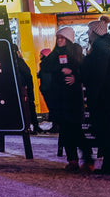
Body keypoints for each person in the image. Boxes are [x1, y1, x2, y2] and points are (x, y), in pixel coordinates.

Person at [38, 27, 90, 172]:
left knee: (76, 130)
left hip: (72, 99)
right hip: (59, 99)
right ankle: (72, 160)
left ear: (68, 40)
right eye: (58, 38)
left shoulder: (76, 54)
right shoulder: (54, 55)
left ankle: (87, 158)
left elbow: (85, 72)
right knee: (65, 131)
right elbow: (45, 67)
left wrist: (75, 76)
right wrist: (60, 69)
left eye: (62, 38)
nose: (60, 40)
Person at [83, 19, 110, 175]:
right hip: (107, 95)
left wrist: (93, 96)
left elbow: (98, 76)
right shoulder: (103, 47)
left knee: (106, 131)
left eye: (89, 31)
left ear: (95, 32)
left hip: (103, 96)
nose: (88, 33)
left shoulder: (100, 48)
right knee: (107, 130)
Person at [11, 44, 43, 133]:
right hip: (25, 88)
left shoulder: (12, 62)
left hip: (21, 89)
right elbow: (28, 75)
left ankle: (27, 126)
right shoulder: (20, 62)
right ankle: (33, 126)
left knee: (25, 108)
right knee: (28, 108)